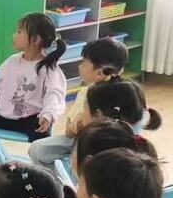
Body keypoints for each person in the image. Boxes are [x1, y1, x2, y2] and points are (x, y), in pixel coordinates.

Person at [0, 13, 67, 180]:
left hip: (30, 120)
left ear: (36, 40)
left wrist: (48, 114)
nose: (14, 35)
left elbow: (54, 95)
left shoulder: (48, 68)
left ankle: (45, 177)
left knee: (42, 136)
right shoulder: (11, 62)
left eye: (19, 32)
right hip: (5, 116)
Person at [29, 38, 128, 171]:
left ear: (100, 72)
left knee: (76, 160)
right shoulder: (86, 92)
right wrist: (73, 128)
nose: (79, 67)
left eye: (84, 63)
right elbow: (70, 130)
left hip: (96, 147)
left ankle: (68, 179)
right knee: (38, 148)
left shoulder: (116, 95)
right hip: (78, 141)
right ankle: (56, 179)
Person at [79, 77, 162, 132]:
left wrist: (73, 135)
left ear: (98, 115)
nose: (81, 113)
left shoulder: (93, 145)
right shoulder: (136, 141)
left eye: (84, 107)